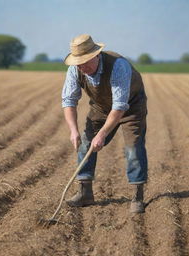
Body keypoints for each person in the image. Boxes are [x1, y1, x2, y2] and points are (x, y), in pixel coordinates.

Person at [61, 34, 148, 213]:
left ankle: (137, 196)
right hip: (101, 108)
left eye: (85, 62)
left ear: (96, 55)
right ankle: (85, 193)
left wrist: (102, 134)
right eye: (79, 63)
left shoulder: (118, 66)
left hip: (130, 107)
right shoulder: (75, 69)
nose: (82, 67)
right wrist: (73, 131)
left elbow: (119, 106)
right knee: (85, 143)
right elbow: (69, 101)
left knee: (133, 147)